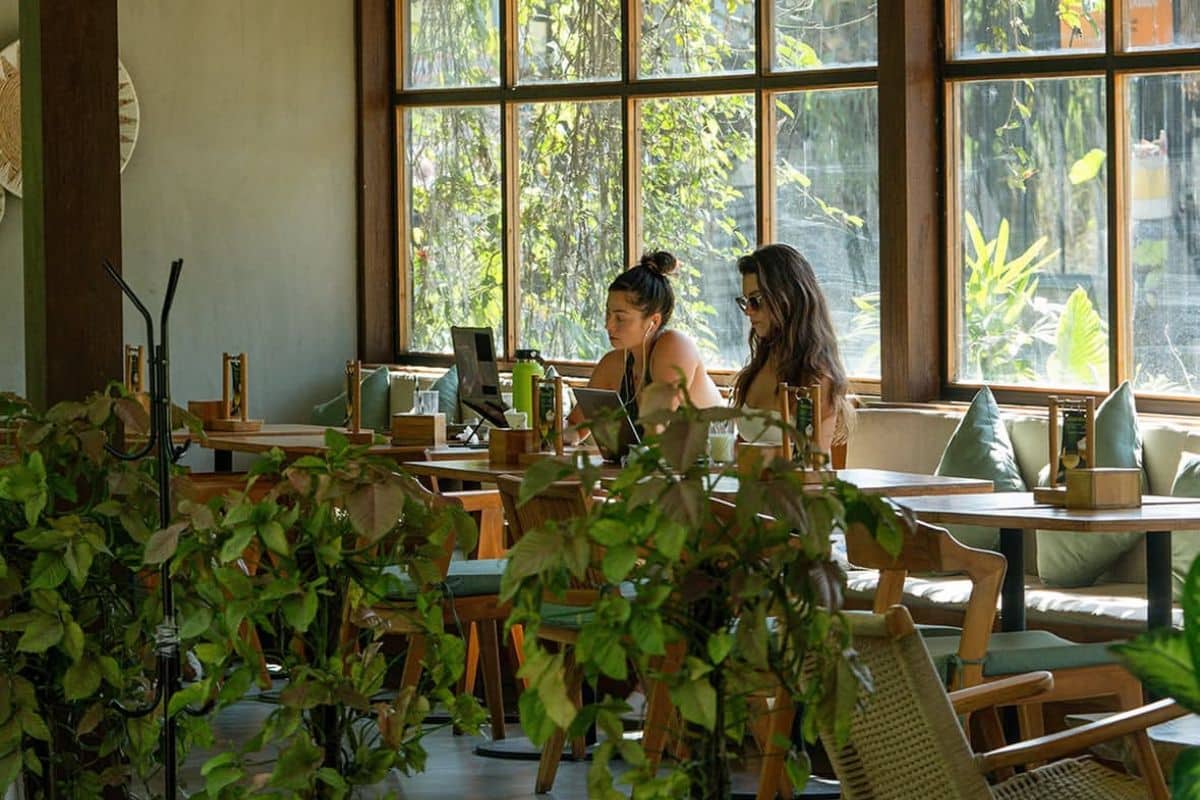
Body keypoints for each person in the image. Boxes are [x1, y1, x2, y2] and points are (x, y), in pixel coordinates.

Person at [573, 251, 722, 433]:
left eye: (620, 318)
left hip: (716, 450)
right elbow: (575, 426)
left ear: (654, 322)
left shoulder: (675, 346)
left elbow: (656, 429)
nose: (608, 325)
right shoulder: (613, 364)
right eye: (608, 314)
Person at [732, 243, 852, 453]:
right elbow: (740, 451)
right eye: (745, 301)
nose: (748, 311)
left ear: (787, 298)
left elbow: (813, 463)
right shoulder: (758, 367)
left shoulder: (817, 377)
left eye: (757, 300)